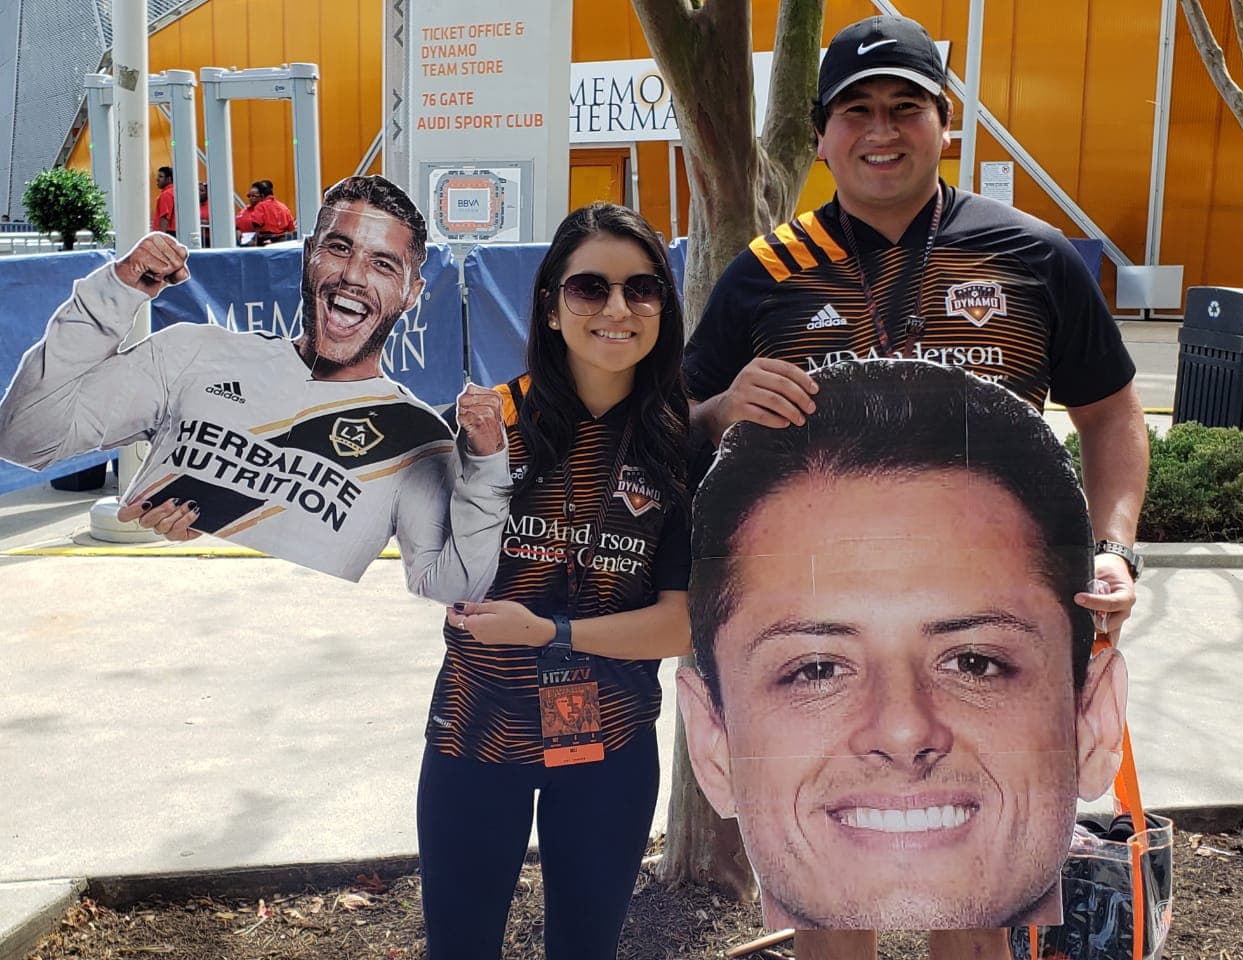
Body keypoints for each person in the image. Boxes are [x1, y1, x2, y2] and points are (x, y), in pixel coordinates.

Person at [681, 16, 1148, 956]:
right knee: (834, 904)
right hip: (822, 637)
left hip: (987, 632)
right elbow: (671, 435)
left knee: (976, 899)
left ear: (947, 121)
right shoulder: (763, 276)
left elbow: (1112, 415)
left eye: (906, 106)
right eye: (856, 110)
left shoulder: (1035, 258)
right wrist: (723, 409)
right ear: (821, 136)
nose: (881, 130)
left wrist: (1114, 545)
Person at [679, 360, 1127, 936]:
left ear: (1094, 721)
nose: (902, 732)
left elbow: (1111, 408)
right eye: (816, 670)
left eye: (974, 663)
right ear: (711, 743)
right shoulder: (756, 279)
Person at [0, 175, 508, 587]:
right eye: (338, 247)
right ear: (308, 253)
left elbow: (451, 584)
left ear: (412, 290)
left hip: (309, 683)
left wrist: (487, 467)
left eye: (382, 263)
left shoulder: (416, 436)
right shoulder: (195, 353)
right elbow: (26, 437)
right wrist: (114, 294)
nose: (354, 275)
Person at [423, 203, 692, 959]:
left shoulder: (679, 443)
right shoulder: (485, 424)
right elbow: (374, 519)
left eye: (642, 289)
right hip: (477, 732)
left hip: (607, 744)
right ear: (549, 307)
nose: (616, 309)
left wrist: (552, 631)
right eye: (589, 289)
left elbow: (683, 623)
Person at [236, 179, 297, 244]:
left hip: (264, 241)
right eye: (249, 196)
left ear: (262, 196)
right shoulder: (284, 207)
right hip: (282, 242)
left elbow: (256, 222)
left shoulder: (261, 206)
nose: (250, 198)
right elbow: (291, 228)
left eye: (254, 196)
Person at [152, 166, 175, 234]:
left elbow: (165, 216)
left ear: (169, 179)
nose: (157, 179)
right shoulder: (175, 192)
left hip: (167, 232)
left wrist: (161, 236)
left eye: (160, 176)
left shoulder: (166, 194)